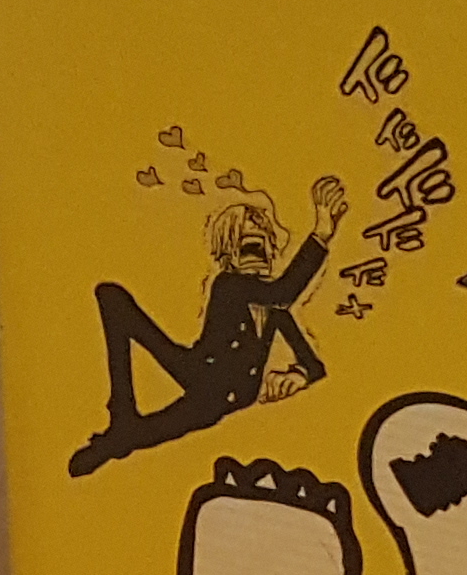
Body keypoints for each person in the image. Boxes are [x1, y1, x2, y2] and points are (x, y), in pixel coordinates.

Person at [71, 173, 344, 477]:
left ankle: (118, 434)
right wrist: (320, 235)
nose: (258, 256)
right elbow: (283, 292)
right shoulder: (229, 285)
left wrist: (298, 374)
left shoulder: (276, 314)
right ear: (229, 254)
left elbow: (313, 364)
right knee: (111, 297)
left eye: (262, 245)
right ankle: (121, 410)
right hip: (202, 374)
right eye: (247, 247)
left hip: (219, 399)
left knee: (137, 436)